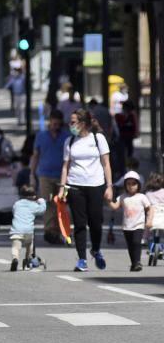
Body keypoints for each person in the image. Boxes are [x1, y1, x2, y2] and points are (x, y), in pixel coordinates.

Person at [60, 108, 112, 272]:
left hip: (96, 185)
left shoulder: (98, 139)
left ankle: (95, 249)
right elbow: (65, 167)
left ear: (83, 124)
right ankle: (82, 259)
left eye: (73, 122)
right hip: (75, 185)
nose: (70, 125)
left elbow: (106, 164)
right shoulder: (69, 141)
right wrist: (62, 188)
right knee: (80, 224)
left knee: (96, 222)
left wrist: (109, 186)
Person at [30, 109, 71, 244]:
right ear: (50, 122)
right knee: (47, 203)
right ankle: (49, 231)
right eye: (54, 124)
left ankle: (59, 231)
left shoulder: (66, 136)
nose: (56, 127)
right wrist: (32, 174)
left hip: (62, 176)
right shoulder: (41, 136)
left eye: (58, 124)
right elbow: (36, 155)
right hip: (45, 175)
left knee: (60, 203)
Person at [107, 171, 153, 271]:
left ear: (138, 185)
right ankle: (133, 263)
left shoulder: (142, 197)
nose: (131, 186)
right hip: (126, 226)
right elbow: (115, 207)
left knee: (136, 242)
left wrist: (149, 220)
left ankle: (137, 262)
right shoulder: (122, 197)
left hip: (138, 225)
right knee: (130, 245)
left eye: (134, 184)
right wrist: (109, 201)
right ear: (125, 185)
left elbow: (150, 208)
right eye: (128, 184)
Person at [9, 185, 47, 271]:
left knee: (16, 247)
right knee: (29, 247)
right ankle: (27, 261)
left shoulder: (17, 204)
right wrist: (42, 201)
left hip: (16, 230)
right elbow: (42, 210)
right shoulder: (33, 205)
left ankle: (15, 258)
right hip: (28, 231)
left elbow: (14, 211)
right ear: (34, 196)